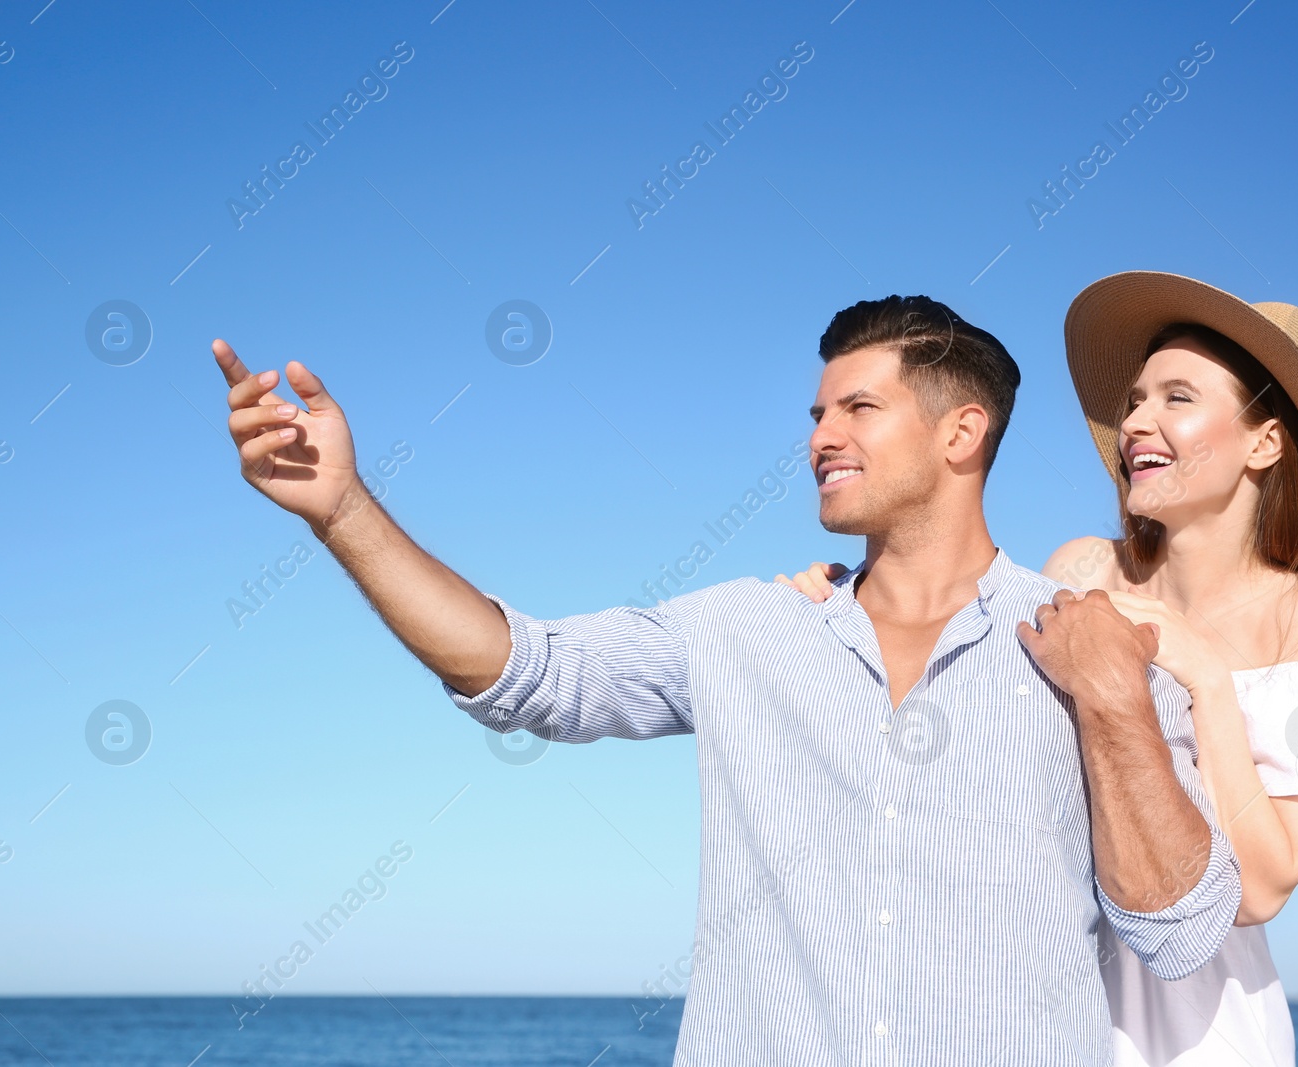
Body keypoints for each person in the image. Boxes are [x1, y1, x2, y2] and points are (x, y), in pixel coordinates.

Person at [210, 293, 1241, 1066]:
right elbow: (524, 668)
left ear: (960, 432)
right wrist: (341, 509)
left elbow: (1180, 929)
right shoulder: (745, 629)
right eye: (816, 409)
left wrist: (1111, 700)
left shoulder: (1091, 649)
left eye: (857, 407)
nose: (818, 435)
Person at [778, 272, 1298, 1066]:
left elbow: (1261, 887)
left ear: (1264, 441)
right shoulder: (1084, 567)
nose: (1136, 421)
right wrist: (851, 604)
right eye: (1134, 399)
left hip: (1199, 1036)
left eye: (1177, 398)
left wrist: (1207, 678)